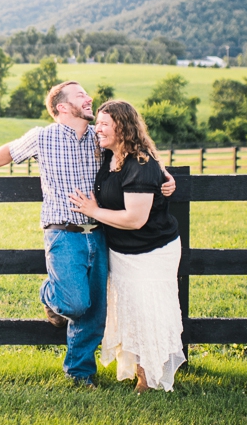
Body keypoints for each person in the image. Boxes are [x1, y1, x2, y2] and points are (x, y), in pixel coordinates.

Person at [0, 82, 175, 387]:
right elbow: (7, 152)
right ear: (61, 107)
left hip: (99, 233)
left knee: (95, 312)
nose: (89, 99)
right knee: (73, 304)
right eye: (81, 96)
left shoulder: (99, 138)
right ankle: (50, 294)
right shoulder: (43, 137)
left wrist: (164, 174)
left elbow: (135, 149)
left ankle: (80, 372)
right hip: (63, 232)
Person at [69, 99, 185, 393]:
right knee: (130, 311)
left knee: (148, 312)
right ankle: (139, 372)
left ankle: (149, 379)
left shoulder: (140, 162)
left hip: (151, 251)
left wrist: (93, 212)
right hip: (121, 251)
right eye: (98, 122)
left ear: (123, 127)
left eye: (105, 124)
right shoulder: (108, 155)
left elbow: (135, 219)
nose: (98, 129)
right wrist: (166, 174)